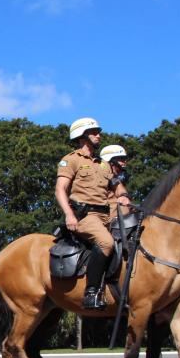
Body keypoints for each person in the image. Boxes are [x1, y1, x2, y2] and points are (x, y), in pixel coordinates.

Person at [55, 117, 130, 310]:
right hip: (85, 216)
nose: (99, 135)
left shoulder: (103, 165)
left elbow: (117, 187)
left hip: (107, 215)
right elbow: (60, 190)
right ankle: (91, 293)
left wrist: (123, 196)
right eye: (94, 132)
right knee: (106, 242)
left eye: (98, 131)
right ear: (82, 136)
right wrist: (69, 214)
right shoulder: (70, 160)